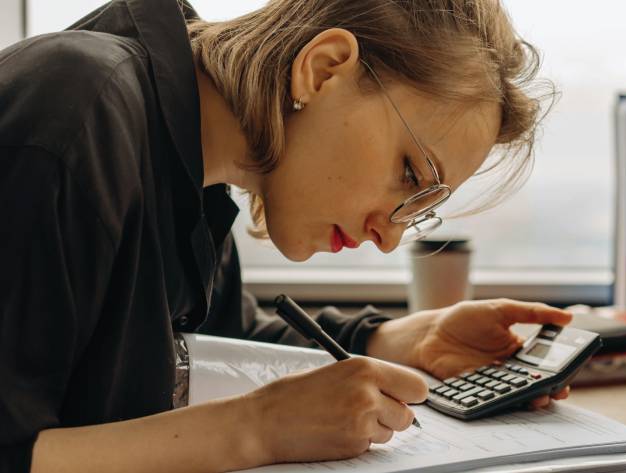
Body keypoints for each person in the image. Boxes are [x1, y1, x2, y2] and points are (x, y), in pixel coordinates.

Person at [0, 0, 573, 471]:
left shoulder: (192, 174)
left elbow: (217, 336)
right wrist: (255, 430)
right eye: (410, 176)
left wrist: (392, 340)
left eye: (419, 208)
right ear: (324, 69)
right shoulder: (76, 112)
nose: (390, 237)